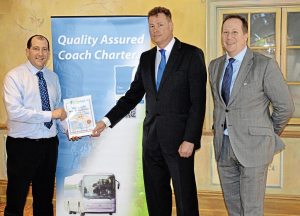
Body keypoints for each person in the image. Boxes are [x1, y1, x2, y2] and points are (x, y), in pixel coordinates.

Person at [91, 6, 207, 216]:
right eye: (151, 26)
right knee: (155, 198)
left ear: (171, 25)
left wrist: (190, 139)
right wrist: (106, 121)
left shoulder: (191, 54)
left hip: (180, 142)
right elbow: (132, 96)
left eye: (160, 25)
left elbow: (198, 103)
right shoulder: (146, 58)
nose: (155, 30)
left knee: (185, 198)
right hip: (152, 142)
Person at [208, 15, 294, 216]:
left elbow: (285, 106)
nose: (229, 37)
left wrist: (266, 133)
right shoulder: (214, 66)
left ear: (246, 36)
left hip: (254, 148)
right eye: (225, 32)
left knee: (252, 209)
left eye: (235, 32)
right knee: (234, 208)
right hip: (224, 146)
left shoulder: (264, 65)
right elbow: (222, 107)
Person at [3, 35, 67, 216]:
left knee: (45, 197)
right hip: (23, 145)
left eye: (45, 49)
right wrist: (51, 114)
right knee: (16, 197)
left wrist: (69, 130)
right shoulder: (14, 76)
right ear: (27, 51)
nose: (41, 53)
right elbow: (15, 111)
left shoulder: (53, 77)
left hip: (49, 144)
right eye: (36, 48)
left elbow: (58, 108)